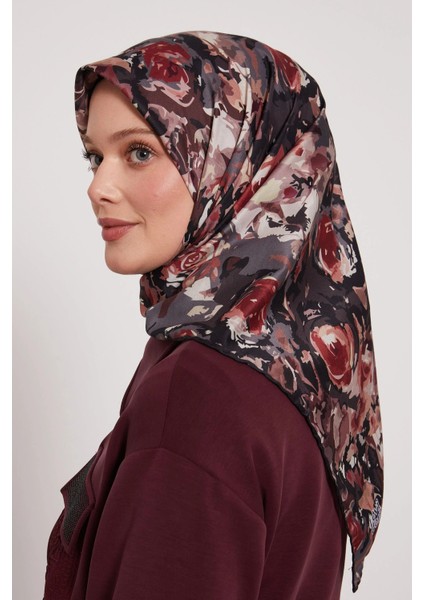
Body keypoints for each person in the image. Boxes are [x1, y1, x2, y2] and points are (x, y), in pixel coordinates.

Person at [43, 31, 383, 599]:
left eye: (140, 152)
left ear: (238, 165)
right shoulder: (301, 368)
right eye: (95, 157)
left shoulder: (198, 393)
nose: (98, 187)